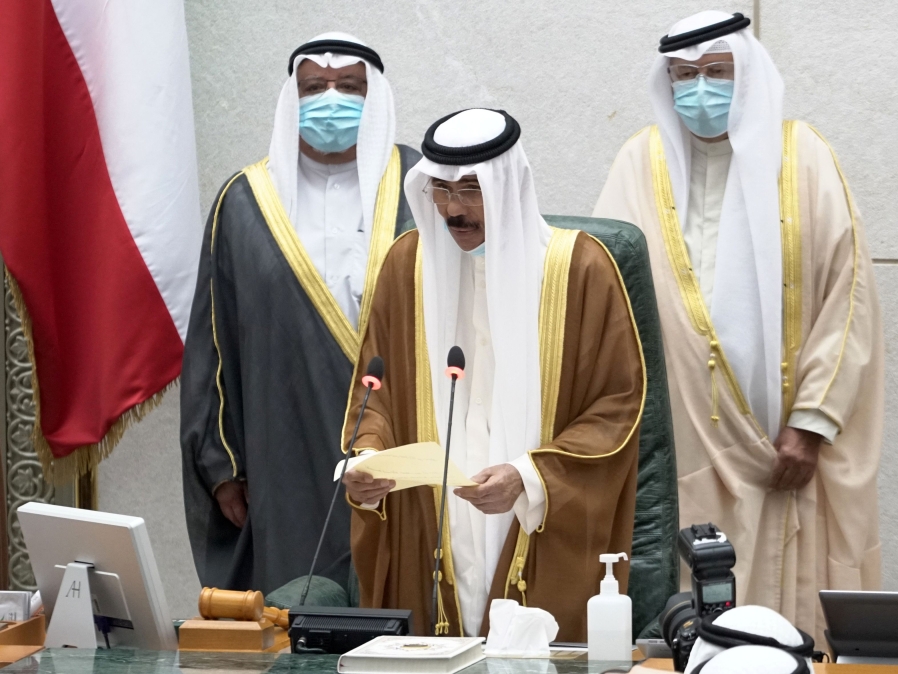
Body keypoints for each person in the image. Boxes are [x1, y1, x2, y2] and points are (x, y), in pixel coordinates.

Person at [593, 10, 883, 638]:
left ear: (746, 72)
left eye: (717, 72)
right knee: (689, 606)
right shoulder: (637, 161)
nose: (699, 89)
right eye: (683, 76)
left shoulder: (804, 156)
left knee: (784, 618)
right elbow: (606, 297)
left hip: (786, 447)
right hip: (681, 443)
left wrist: (812, 423)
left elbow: (849, 293)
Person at [341, 108, 645, 639]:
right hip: (430, 518)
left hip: (533, 518)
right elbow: (376, 392)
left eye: (472, 191)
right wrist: (367, 460)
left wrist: (529, 478)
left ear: (507, 184)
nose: (453, 210)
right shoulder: (406, 266)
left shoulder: (580, 269)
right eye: (441, 189)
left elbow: (617, 405)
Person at [180, 32, 421, 595]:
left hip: (405, 441)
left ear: (375, 97)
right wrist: (222, 467)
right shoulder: (244, 201)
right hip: (281, 447)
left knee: (403, 604)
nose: (331, 98)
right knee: (301, 605)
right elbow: (211, 345)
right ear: (293, 96)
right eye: (315, 86)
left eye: (350, 87)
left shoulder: (422, 186)